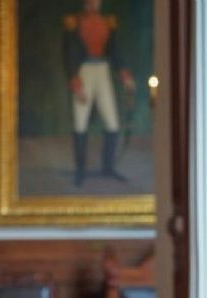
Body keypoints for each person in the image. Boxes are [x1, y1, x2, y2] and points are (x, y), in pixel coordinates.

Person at [63, 0, 136, 185]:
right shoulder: (74, 22)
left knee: (112, 124)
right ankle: (80, 171)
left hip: (103, 71)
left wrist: (124, 75)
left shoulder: (108, 22)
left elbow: (114, 51)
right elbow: (69, 54)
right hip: (83, 71)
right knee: (80, 123)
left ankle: (108, 168)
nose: (93, 3)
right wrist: (76, 83)